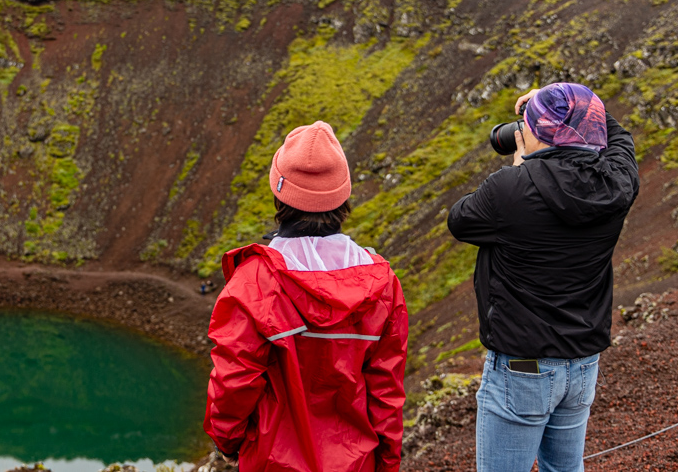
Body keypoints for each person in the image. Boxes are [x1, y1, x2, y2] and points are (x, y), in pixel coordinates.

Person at [448, 83, 639, 472]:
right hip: (583, 362)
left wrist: (522, 167)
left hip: (523, 366)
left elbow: (459, 220)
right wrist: (573, 108)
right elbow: (619, 139)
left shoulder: (509, 188)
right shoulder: (618, 183)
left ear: (539, 134)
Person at [204, 121, 408, 472]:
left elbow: (233, 382)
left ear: (279, 193)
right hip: (356, 463)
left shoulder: (254, 281)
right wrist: (387, 461)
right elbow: (386, 392)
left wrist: (228, 440)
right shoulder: (382, 284)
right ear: (342, 196)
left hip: (271, 461)